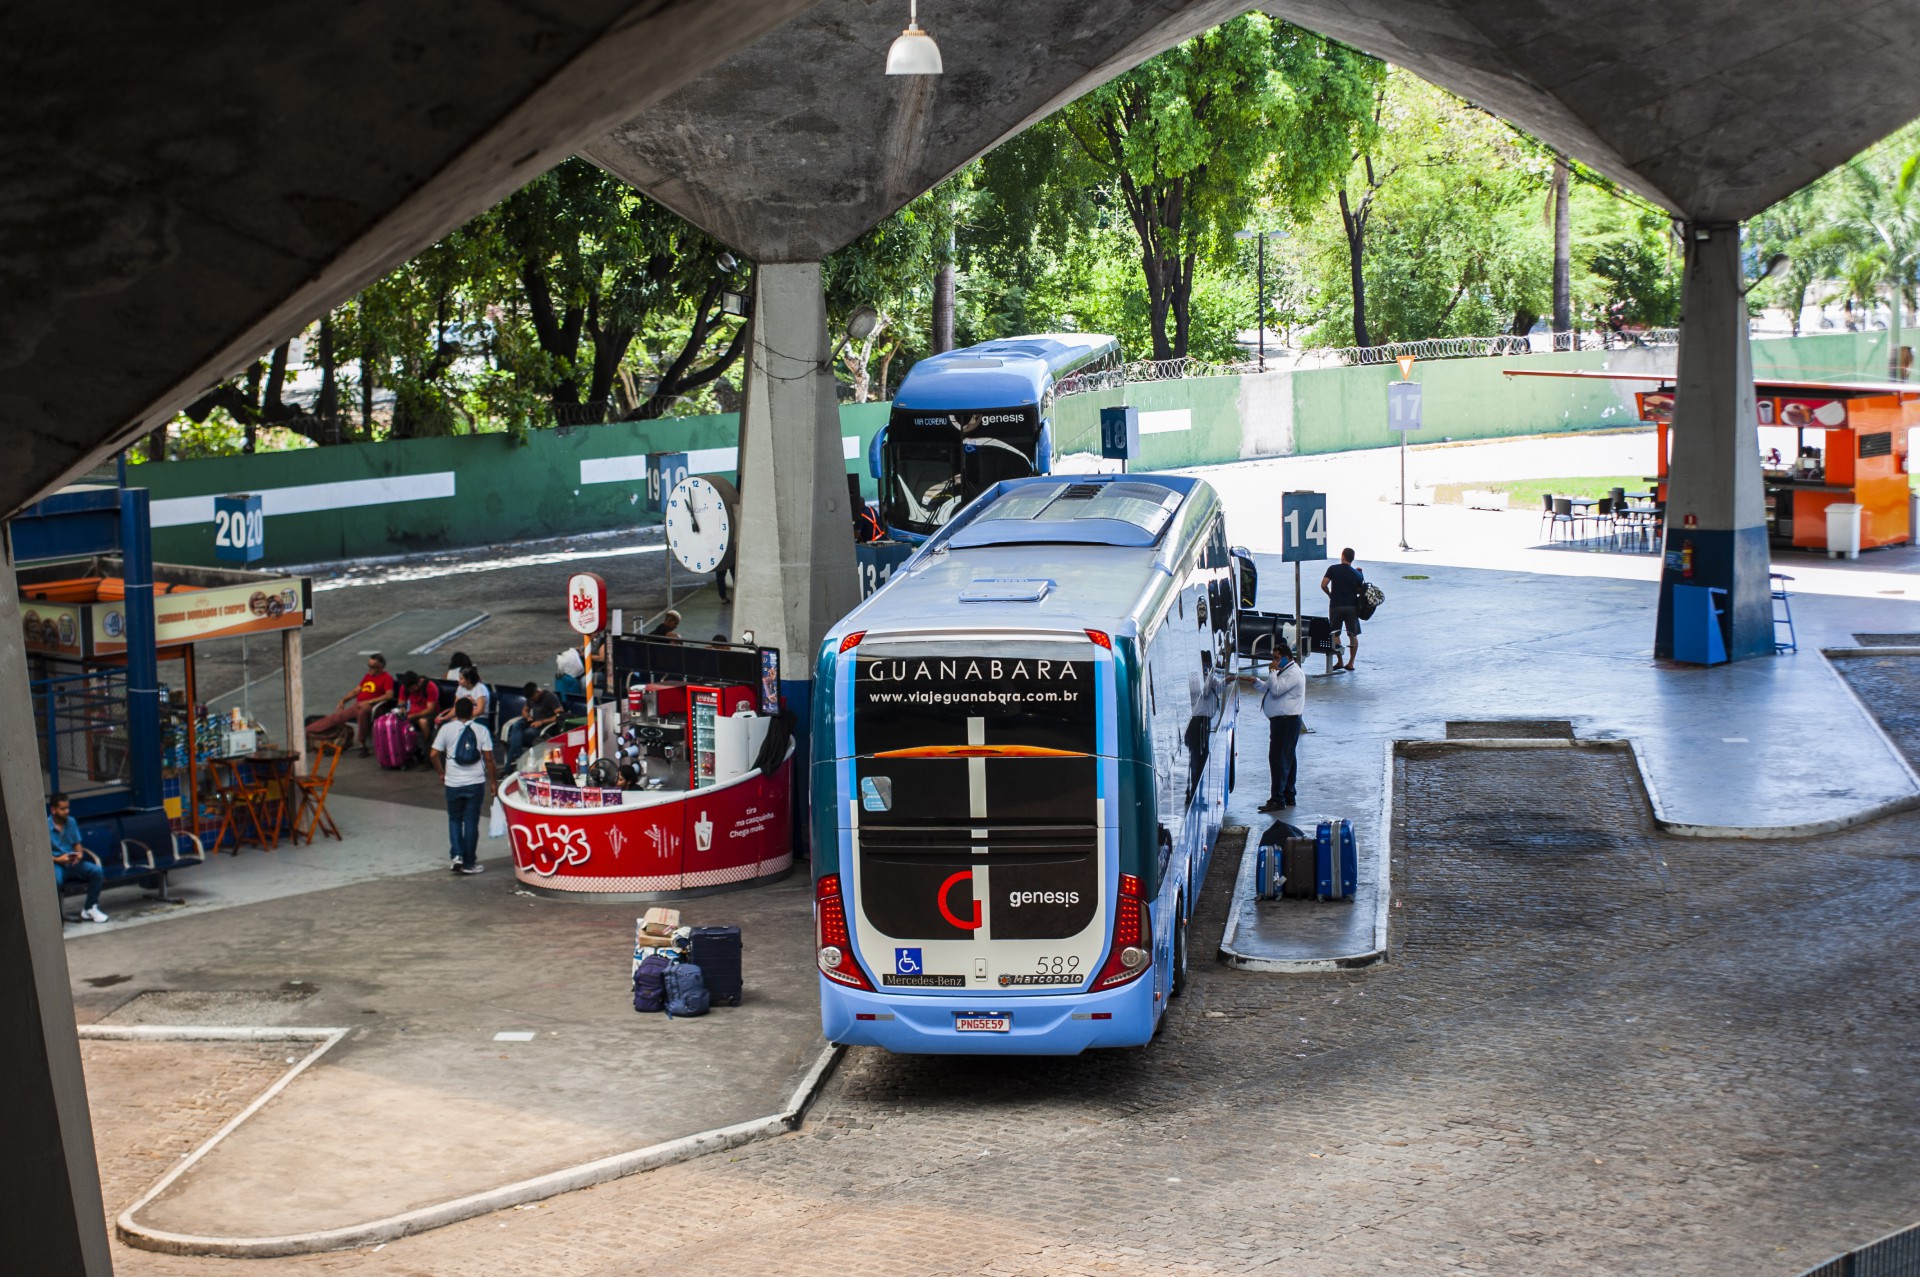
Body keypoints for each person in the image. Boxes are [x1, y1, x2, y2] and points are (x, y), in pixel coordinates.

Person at [430, 699, 498, 875]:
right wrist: (493, 782)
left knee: (454, 819)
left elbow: (433, 754)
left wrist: (441, 773)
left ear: (456, 712)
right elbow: (489, 759)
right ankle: (469, 863)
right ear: (472, 712)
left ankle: (457, 856)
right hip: (474, 784)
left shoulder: (446, 729)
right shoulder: (481, 730)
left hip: (453, 783)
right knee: (470, 822)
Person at [306, 653, 396, 755]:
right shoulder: (368, 676)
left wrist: (369, 702)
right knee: (337, 716)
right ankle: (309, 731)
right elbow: (356, 691)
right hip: (358, 705)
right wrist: (343, 700)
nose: (369, 669)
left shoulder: (386, 678)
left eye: (372, 667)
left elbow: (389, 695)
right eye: (368, 666)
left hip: (373, 707)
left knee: (362, 713)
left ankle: (362, 744)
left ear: (380, 667)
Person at [1259, 639, 1305, 812]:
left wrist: (1271, 671)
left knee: (1278, 759)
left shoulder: (1293, 673)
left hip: (1287, 722)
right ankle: (1288, 794)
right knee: (1288, 759)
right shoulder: (1285, 670)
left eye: (1276, 658)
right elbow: (1270, 688)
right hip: (1282, 722)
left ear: (1286, 657)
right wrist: (1256, 681)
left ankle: (1277, 799)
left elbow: (1276, 690)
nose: (1274, 661)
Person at [48, 793, 108, 922]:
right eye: (62, 809)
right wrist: (59, 859)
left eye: (67, 808)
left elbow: (77, 845)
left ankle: (89, 908)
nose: (66, 811)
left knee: (96, 871)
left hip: (72, 863)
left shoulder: (71, 822)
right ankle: (56, 917)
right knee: (55, 882)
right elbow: (43, 855)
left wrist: (79, 855)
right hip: (57, 864)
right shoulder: (45, 826)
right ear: (53, 810)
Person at [1320, 548, 1367, 673]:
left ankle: (1340, 660)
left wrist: (1330, 594)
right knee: (1353, 635)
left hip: (1336, 605)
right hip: (1351, 607)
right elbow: (1359, 591)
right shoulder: (1357, 574)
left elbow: (1323, 584)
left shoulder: (1333, 569)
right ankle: (1351, 663)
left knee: (1335, 634)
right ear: (1352, 558)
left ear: (1342, 556)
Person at [499, 681, 564, 767]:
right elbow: (525, 710)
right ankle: (517, 756)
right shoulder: (530, 699)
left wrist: (541, 722)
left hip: (544, 726)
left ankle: (512, 762)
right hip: (533, 722)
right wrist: (528, 717)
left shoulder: (550, 697)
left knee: (519, 736)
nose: (532, 701)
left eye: (533, 699)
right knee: (516, 726)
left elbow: (560, 716)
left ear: (537, 692)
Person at [399, 671, 440, 762]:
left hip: (429, 714)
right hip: (411, 714)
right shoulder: (405, 687)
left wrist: (415, 715)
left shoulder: (430, 686)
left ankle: (427, 748)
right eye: (409, 689)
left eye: (413, 688)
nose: (411, 691)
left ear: (418, 682)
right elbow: (401, 701)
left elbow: (431, 709)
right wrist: (402, 709)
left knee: (423, 722)